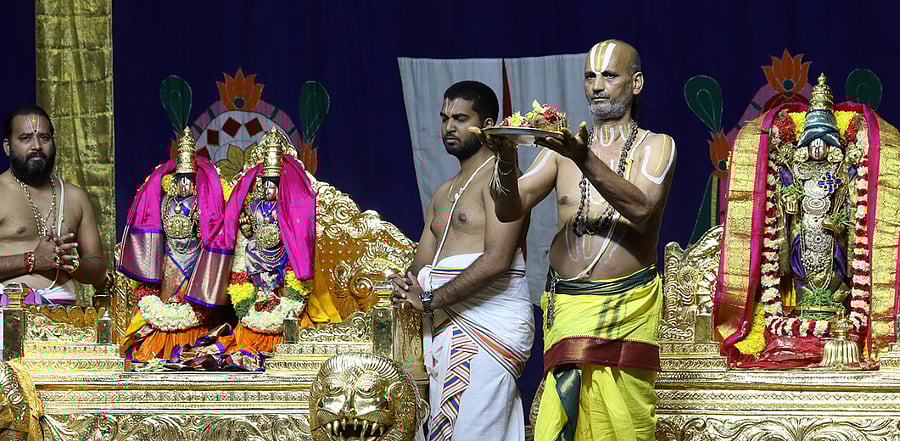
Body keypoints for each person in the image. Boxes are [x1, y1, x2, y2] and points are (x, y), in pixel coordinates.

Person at [475, 40, 676, 441]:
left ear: (636, 83)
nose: (597, 85)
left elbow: (640, 209)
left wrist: (583, 157)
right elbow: (509, 210)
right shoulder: (556, 151)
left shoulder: (657, 145)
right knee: (560, 417)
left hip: (627, 306)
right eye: (589, 76)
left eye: (609, 75)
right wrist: (506, 159)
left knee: (621, 426)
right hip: (567, 306)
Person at [391, 80, 534, 441]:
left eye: (459, 118)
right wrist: (406, 283)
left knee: (472, 432)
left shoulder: (503, 180)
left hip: (487, 326)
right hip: (445, 326)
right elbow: (422, 262)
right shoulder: (443, 190)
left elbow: (499, 259)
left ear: (486, 125)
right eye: (444, 119)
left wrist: (428, 300)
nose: (448, 127)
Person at [118, 128, 227, 361]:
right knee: (168, 299)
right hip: (170, 257)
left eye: (190, 180)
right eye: (182, 179)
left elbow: (208, 231)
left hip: (193, 256)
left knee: (190, 301)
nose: (186, 185)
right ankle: (163, 334)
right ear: (175, 180)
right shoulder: (165, 200)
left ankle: (189, 339)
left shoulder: (201, 202)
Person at [0, 105, 107, 305]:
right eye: (25, 138)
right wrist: (32, 259)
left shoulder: (75, 197)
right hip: (7, 314)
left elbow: (99, 269)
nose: (36, 146)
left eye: (44, 138)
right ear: (8, 146)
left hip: (65, 319)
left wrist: (71, 263)